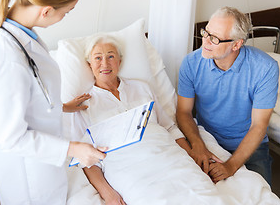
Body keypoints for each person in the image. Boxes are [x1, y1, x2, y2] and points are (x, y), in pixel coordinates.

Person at [0, 0, 106, 204]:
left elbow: (27, 96)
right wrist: (74, 148)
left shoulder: (18, 35)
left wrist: (62, 106)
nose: (64, 17)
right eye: (67, 12)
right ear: (46, 11)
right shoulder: (5, 56)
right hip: (30, 183)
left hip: (45, 171)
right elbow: (12, 138)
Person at [70, 34, 236, 205]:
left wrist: (191, 154)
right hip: (130, 169)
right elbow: (85, 159)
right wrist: (108, 194)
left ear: (119, 61)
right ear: (89, 64)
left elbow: (170, 127)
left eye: (111, 56)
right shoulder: (83, 104)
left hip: (169, 157)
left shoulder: (142, 87)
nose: (105, 63)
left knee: (205, 196)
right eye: (98, 58)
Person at [176, 6, 279, 185]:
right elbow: (184, 112)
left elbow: (259, 125)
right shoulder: (191, 63)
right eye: (206, 32)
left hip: (250, 145)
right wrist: (198, 144)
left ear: (236, 44)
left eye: (214, 38)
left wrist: (231, 166)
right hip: (207, 138)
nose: (205, 42)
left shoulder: (266, 68)